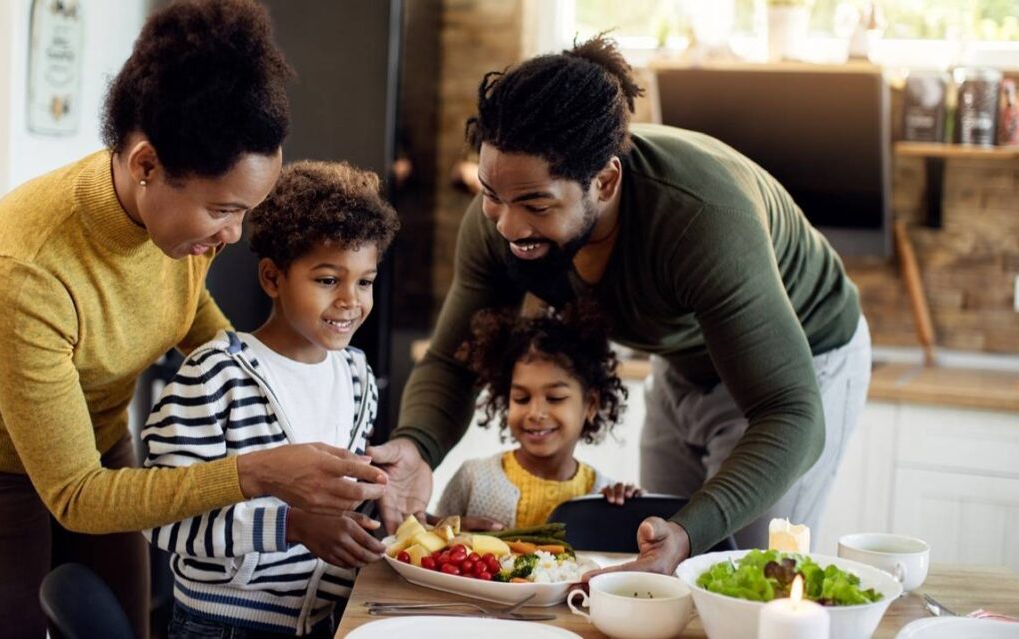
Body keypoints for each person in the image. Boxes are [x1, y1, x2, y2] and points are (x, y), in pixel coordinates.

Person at [0, 3, 386, 637]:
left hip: (99, 442)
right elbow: (76, 494)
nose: (235, 236)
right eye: (224, 210)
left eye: (248, 210)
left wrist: (281, 380)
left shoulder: (177, 228)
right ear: (146, 166)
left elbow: (187, 315)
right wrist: (263, 470)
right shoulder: (24, 265)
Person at [369, 35, 872, 576]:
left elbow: (791, 414)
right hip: (682, 358)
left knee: (753, 572)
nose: (509, 226)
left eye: (536, 203)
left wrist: (689, 530)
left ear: (605, 180)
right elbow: (453, 358)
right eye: (492, 193)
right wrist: (416, 446)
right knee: (660, 562)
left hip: (802, 366)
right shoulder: (502, 221)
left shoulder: (702, 219)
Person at [141, 160, 400, 638]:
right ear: (272, 278)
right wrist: (292, 526)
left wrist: (400, 514)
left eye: (364, 281)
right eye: (327, 280)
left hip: (328, 620)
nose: (351, 300)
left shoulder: (357, 375)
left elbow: (340, 512)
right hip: (223, 627)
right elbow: (164, 521)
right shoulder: (214, 376)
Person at [436, 303, 640, 528]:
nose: (535, 413)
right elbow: (429, 543)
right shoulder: (472, 479)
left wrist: (631, 509)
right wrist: (450, 531)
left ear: (591, 405)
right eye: (521, 399)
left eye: (554, 398)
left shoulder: (601, 495)